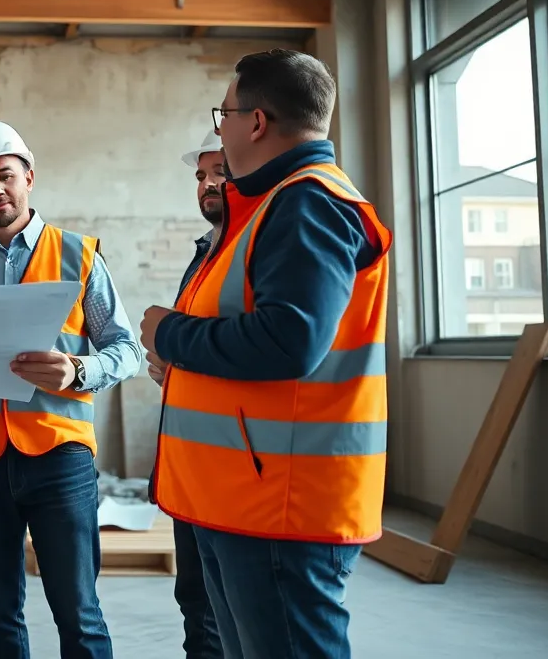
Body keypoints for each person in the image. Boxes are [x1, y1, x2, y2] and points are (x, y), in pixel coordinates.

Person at [139, 49, 392, 659]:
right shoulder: (271, 207)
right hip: (244, 495)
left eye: (223, 113)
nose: (219, 128)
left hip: (281, 503)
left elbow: (289, 340)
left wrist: (166, 333)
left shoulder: (307, 203)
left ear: (254, 122)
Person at [0, 117, 143, 659]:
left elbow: (128, 350)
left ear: (29, 177)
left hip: (60, 457)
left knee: (79, 613)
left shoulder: (80, 256)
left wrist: (79, 370)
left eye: (5, 175)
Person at [145, 132, 226, 659]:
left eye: (219, 169)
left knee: (227, 613)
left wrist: (167, 337)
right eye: (200, 175)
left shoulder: (248, 252)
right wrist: (167, 366)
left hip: (234, 468)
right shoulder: (205, 253)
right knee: (196, 602)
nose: (208, 183)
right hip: (191, 466)